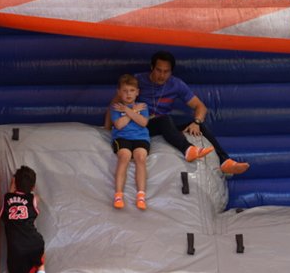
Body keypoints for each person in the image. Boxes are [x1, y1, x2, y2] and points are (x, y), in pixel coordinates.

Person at [135, 51, 249, 175]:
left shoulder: (176, 84)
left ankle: (225, 162)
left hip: (164, 125)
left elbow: (201, 107)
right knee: (165, 119)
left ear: (171, 72)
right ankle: (187, 149)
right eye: (158, 70)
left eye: (166, 71)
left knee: (199, 126)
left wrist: (196, 122)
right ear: (152, 67)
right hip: (142, 124)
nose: (162, 75)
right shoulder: (138, 80)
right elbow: (121, 103)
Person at [1, 165, 47, 273]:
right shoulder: (33, 199)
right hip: (34, 243)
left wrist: (11, 190)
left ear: (14, 183)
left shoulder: (6, 199)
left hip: (16, 251)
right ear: (33, 187)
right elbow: (35, 200)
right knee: (40, 258)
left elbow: (9, 201)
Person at [107, 73, 151, 210]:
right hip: (122, 138)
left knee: (140, 157)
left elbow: (143, 122)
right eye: (125, 91)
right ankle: (118, 195)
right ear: (119, 92)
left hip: (140, 138)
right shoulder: (116, 107)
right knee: (124, 156)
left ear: (137, 92)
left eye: (132, 90)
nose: (128, 94)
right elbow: (119, 125)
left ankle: (141, 196)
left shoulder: (142, 107)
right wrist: (131, 111)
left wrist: (127, 110)